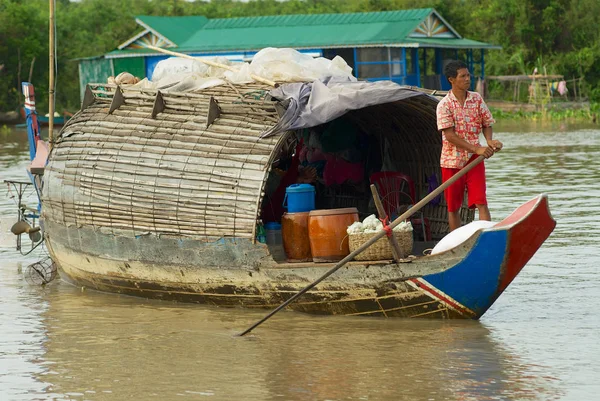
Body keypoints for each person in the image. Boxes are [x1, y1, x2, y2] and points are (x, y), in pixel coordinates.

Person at [436, 60, 503, 232]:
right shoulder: (444, 105)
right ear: (452, 79)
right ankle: (456, 243)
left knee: (481, 201)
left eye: (468, 75)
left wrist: (489, 141)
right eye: (463, 76)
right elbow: (449, 135)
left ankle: (486, 237)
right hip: (452, 162)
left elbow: (487, 123)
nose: (467, 79)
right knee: (453, 207)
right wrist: (476, 149)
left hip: (474, 160)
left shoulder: (476, 99)